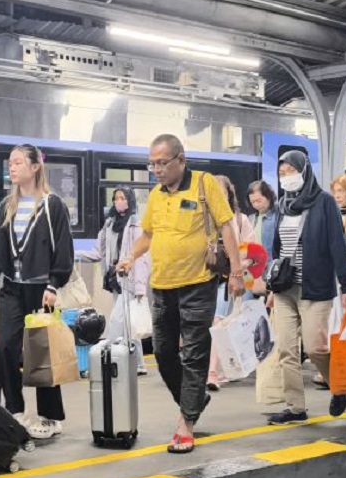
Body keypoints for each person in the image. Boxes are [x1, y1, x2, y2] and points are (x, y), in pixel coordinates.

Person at [117, 134, 244, 453]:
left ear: (180, 160)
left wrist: (237, 272)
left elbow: (227, 226)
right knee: (163, 353)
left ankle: (185, 423)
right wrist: (131, 256)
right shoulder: (157, 196)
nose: (156, 170)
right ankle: (195, 400)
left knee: (195, 354)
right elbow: (148, 233)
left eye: (162, 163)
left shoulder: (204, 184)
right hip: (161, 285)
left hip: (198, 284)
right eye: (152, 164)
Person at [0, 144, 74, 440]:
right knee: (6, 349)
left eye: (17, 163)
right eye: (9, 164)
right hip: (13, 289)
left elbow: (64, 249)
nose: (11, 168)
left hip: (42, 290)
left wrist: (54, 284)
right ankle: (14, 412)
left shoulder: (53, 206)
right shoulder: (6, 206)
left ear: (35, 167)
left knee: (42, 353)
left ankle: (51, 418)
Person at [263, 150, 346, 424]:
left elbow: (336, 245)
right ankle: (295, 408)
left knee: (316, 348)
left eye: (290, 171)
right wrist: (272, 287)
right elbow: (278, 249)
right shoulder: (282, 204)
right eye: (281, 174)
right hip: (285, 289)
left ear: (304, 171)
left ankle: (337, 387)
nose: (285, 178)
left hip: (315, 288)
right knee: (286, 351)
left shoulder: (324, 203)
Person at [78, 186, 149, 375]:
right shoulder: (109, 225)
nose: (119, 202)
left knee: (117, 321)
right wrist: (74, 255)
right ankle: (139, 364)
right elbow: (98, 253)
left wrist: (141, 287)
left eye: (123, 198)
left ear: (130, 201)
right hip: (115, 281)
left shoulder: (135, 225)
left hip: (131, 281)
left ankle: (104, 361)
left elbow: (142, 258)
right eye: (116, 198)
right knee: (129, 323)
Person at [207, 174, 257, 391]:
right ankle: (225, 368)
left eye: (222, 192)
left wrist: (238, 266)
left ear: (229, 194)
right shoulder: (203, 219)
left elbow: (254, 252)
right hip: (207, 278)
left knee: (219, 322)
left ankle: (212, 372)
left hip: (231, 280)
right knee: (218, 324)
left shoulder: (239, 220)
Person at [247, 180, 279, 257]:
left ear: (269, 197)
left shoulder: (278, 216)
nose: (256, 205)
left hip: (273, 265)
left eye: (259, 201)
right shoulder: (251, 219)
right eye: (253, 202)